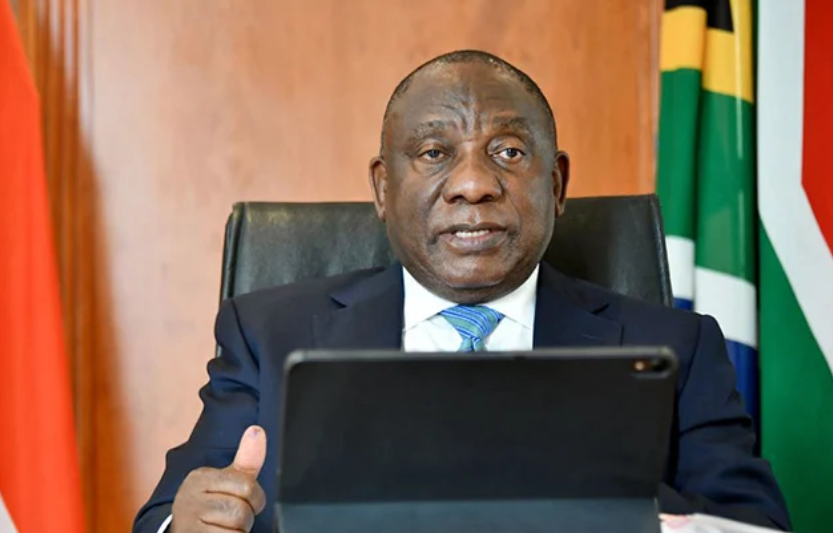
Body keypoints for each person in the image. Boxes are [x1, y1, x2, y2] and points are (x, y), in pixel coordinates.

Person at [133, 50, 790, 533]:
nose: (473, 184)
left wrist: (635, 510)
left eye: (508, 152)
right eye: (433, 153)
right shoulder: (267, 335)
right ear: (383, 189)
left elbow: (753, 526)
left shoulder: (676, 347)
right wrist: (185, 525)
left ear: (557, 185)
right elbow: (169, 515)